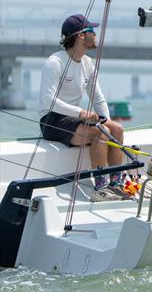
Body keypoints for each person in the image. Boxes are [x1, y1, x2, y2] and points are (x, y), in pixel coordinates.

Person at [39, 14, 126, 199]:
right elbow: (49, 100)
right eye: (91, 31)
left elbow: (98, 98)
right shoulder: (55, 62)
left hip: (74, 119)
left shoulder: (87, 63)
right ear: (80, 36)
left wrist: (107, 120)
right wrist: (82, 113)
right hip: (52, 120)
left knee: (117, 129)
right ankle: (100, 188)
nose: (95, 34)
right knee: (101, 133)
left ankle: (116, 183)